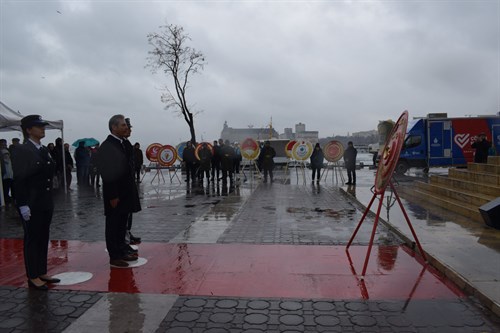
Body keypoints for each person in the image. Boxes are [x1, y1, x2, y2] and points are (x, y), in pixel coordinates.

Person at [11, 115, 60, 290]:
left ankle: (41, 271)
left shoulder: (43, 149)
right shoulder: (21, 150)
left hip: (45, 201)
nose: (42, 129)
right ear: (28, 130)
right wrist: (22, 204)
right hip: (31, 202)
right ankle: (32, 275)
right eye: (38, 127)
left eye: (43, 126)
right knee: (32, 239)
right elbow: (19, 179)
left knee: (43, 236)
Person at [96, 115, 141, 268]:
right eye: (122, 125)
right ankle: (114, 255)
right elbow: (107, 173)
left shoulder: (122, 143)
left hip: (126, 192)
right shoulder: (108, 146)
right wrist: (113, 195)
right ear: (114, 127)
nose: (126, 128)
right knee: (113, 225)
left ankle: (122, 250)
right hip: (115, 194)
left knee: (122, 225)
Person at [123, 118, 142, 246]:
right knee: (123, 216)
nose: (130, 130)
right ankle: (124, 239)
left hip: (128, 184)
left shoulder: (126, 143)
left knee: (128, 215)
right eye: (127, 127)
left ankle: (127, 233)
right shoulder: (120, 144)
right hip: (123, 187)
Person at [1, 139, 14, 203]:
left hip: (9, 173)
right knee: (5, 188)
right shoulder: (3, 151)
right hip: (6, 174)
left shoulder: (7, 151)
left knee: (7, 187)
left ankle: (6, 198)